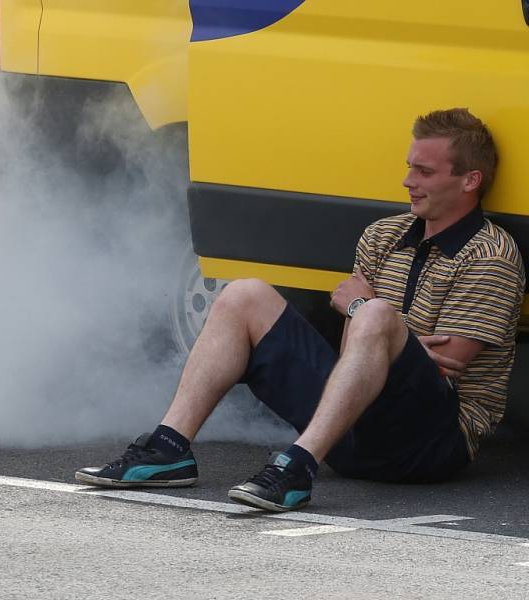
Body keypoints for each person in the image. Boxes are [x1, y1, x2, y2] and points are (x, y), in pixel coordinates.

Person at [75, 108, 526, 512]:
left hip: (430, 445)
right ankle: (168, 449)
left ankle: (296, 468)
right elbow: (359, 347)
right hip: (351, 429)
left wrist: (369, 314)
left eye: (425, 172)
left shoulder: (491, 254)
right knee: (243, 295)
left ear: (470, 180)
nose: (408, 181)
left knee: (373, 316)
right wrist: (386, 339)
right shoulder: (382, 236)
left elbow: (451, 367)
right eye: (409, 167)